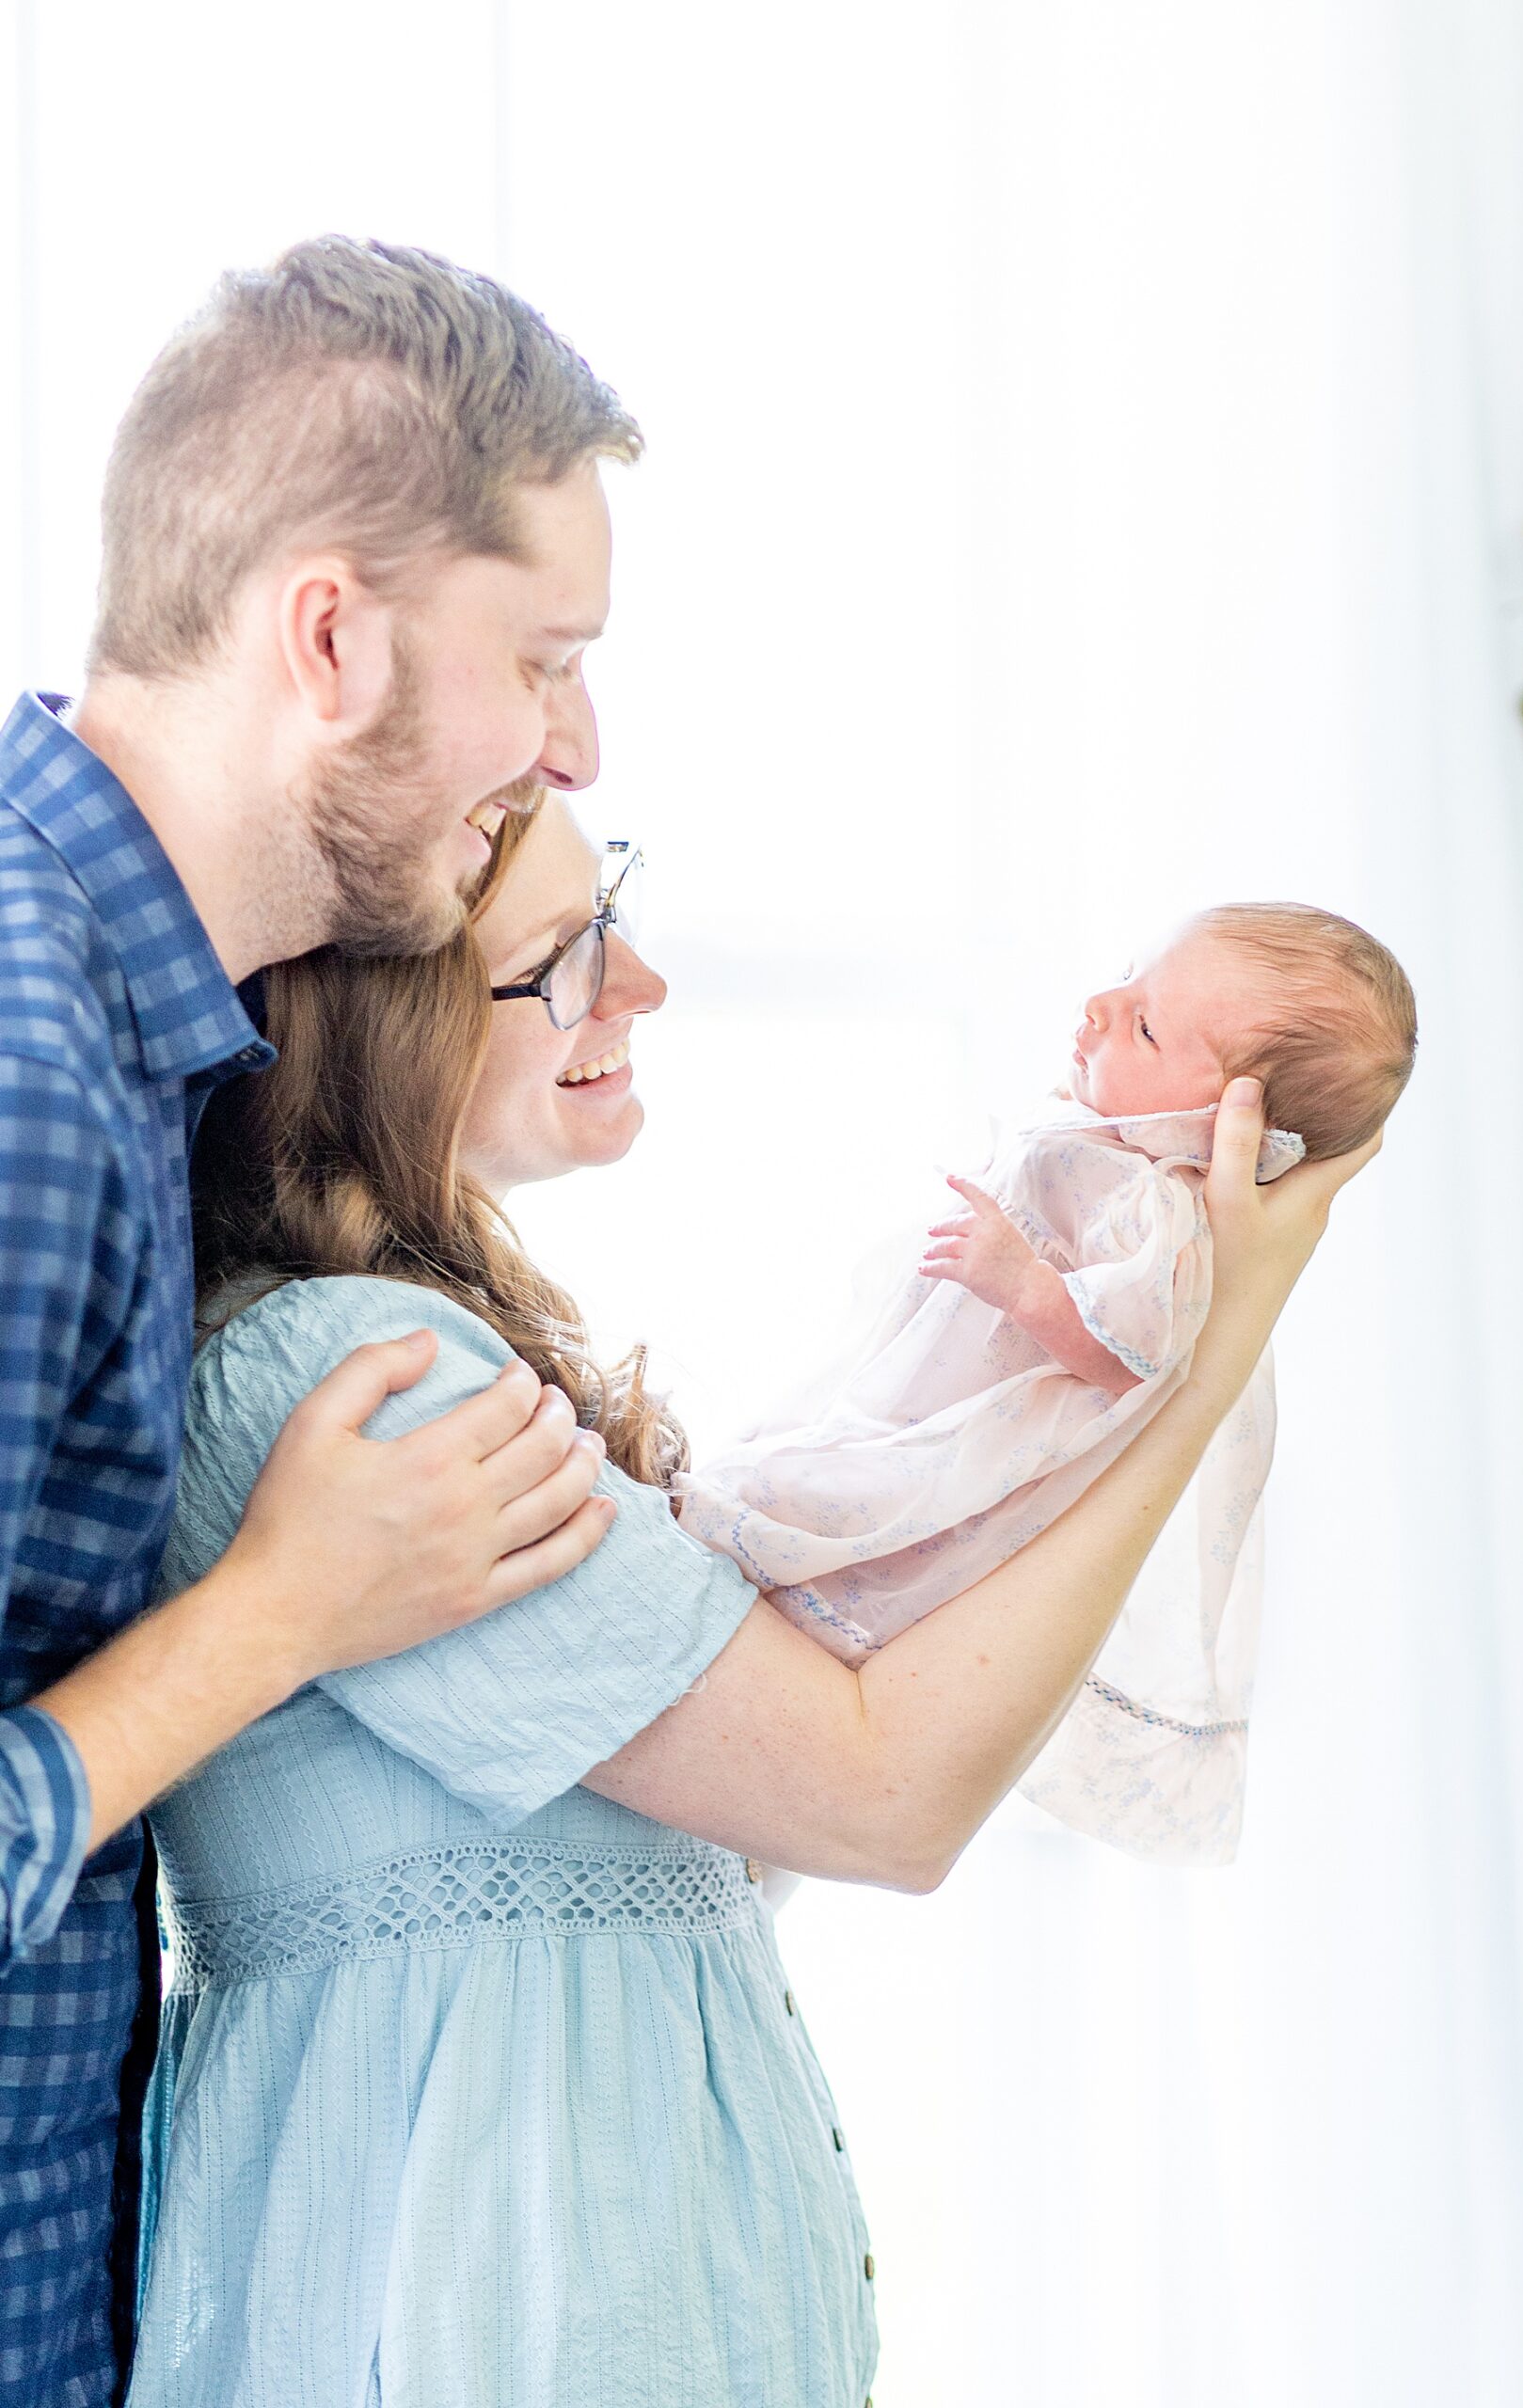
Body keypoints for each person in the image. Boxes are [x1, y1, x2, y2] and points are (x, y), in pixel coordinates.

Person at [131, 799, 1377, 2407]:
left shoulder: (443, 1352)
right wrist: (1193, 1366)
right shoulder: (362, 1383)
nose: (640, 983)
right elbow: (879, 1800)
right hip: (487, 2311)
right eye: (567, 958)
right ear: (391, 1025)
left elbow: (730, 1838)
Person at [0, 237, 651, 2405]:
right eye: (542, 659)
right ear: (329, 637)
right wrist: (285, 1608)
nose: (571, 740)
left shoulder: (127, 1042)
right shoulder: (21, 1063)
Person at [676, 903, 1417, 1863]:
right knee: (816, 1459)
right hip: (923, 1391)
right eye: (1126, 980)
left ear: (1232, 1128)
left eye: (1146, 1025)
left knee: (834, 1499)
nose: (1101, 1006)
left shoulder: (1162, 1207)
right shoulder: (1106, 1151)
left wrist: (1027, 1282)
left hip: (975, 1434)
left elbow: (1134, 1353)